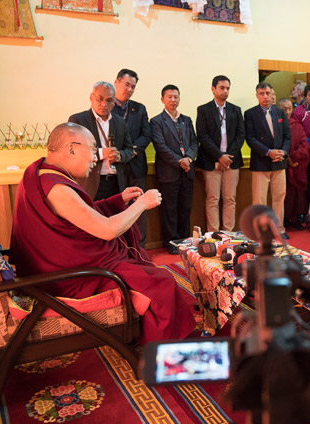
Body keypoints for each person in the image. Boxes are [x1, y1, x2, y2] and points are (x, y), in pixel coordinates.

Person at [10, 122, 195, 344]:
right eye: (92, 149)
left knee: (144, 265)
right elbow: (107, 230)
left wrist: (118, 200)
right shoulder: (56, 188)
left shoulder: (42, 172)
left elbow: (81, 215)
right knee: (162, 281)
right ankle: (160, 350)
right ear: (71, 148)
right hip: (67, 276)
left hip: (58, 264)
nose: (96, 158)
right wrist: (141, 204)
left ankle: (145, 334)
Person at [150, 84, 198, 253]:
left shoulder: (186, 119)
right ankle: (172, 243)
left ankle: (184, 241)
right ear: (162, 99)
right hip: (169, 172)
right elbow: (160, 147)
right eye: (169, 97)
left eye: (176, 97)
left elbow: (194, 142)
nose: (173, 100)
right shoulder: (156, 121)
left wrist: (189, 158)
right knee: (169, 209)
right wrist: (179, 161)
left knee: (185, 208)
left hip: (187, 171)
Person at [195, 75, 245, 232]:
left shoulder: (235, 110)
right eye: (222, 88)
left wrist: (227, 157)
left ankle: (228, 233)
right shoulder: (203, 110)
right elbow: (202, 136)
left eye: (228, 88)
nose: (225, 91)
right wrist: (219, 156)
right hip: (211, 162)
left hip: (232, 161)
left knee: (230, 199)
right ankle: (214, 234)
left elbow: (240, 136)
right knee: (213, 199)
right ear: (213, 89)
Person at [68, 81, 133, 200]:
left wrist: (120, 155)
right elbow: (74, 152)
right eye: (100, 99)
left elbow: (129, 150)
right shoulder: (78, 120)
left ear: (114, 102)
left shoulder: (120, 122)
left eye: (109, 100)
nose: (104, 104)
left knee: (116, 217)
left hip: (116, 183)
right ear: (91, 98)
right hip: (90, 182)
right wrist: (103, 153)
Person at [245, 82, 291, 236]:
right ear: (257, 95)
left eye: (268, 93)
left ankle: (279, 229)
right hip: (261, 162)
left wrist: (283, 152)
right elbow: (250, 139)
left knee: (279, 197)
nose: (265, 96)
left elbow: (287, 136)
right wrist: (268, 152)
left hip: (279, 162)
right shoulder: (250, 114)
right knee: (259, 200)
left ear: (273, 94)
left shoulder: (280, 113)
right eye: (261, 93)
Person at [112, 69, 151, 246]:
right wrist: (120, 154)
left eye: (133, 87)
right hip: (114, 168)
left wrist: (132, 151)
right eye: (126, 84)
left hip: (136, 165)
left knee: (139, 207)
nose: (129, 89)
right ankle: (121, 246)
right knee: (118, 207)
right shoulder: (107, 107)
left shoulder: (139, 108)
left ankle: (139, 246)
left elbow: (146, 134)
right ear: (116, 82)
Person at [284, 99, 310, 230]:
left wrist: (293, 157)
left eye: (290, 109)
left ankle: (295, 219)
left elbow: (304, 145)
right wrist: (286, 159)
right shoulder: (277, 125)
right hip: (282, 166)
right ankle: (283, 220)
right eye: (284, 109)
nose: (288, 112)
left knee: (297, 194)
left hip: (296, 164)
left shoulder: (297, 125)